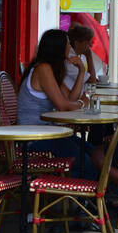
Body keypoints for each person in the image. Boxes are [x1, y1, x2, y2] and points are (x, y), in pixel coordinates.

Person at [18, 29, 89, 165]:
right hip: (34, 139)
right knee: (84, 161)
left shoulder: (50, 69)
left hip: (48, 132)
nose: (70, 47)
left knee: (89, 150)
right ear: (59, 47)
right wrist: (83, 103)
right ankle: (75, 185)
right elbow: (63, 106)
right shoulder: (43, 69)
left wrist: (82, 71)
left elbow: (70, 100)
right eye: (68, 43)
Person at [62, 25, 97, 92]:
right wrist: (89, 56)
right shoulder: (70, 58)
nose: (91, 45)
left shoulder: (76, 56)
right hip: (73, 99)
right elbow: (92, 82)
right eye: (88, 42)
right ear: (77, 43)